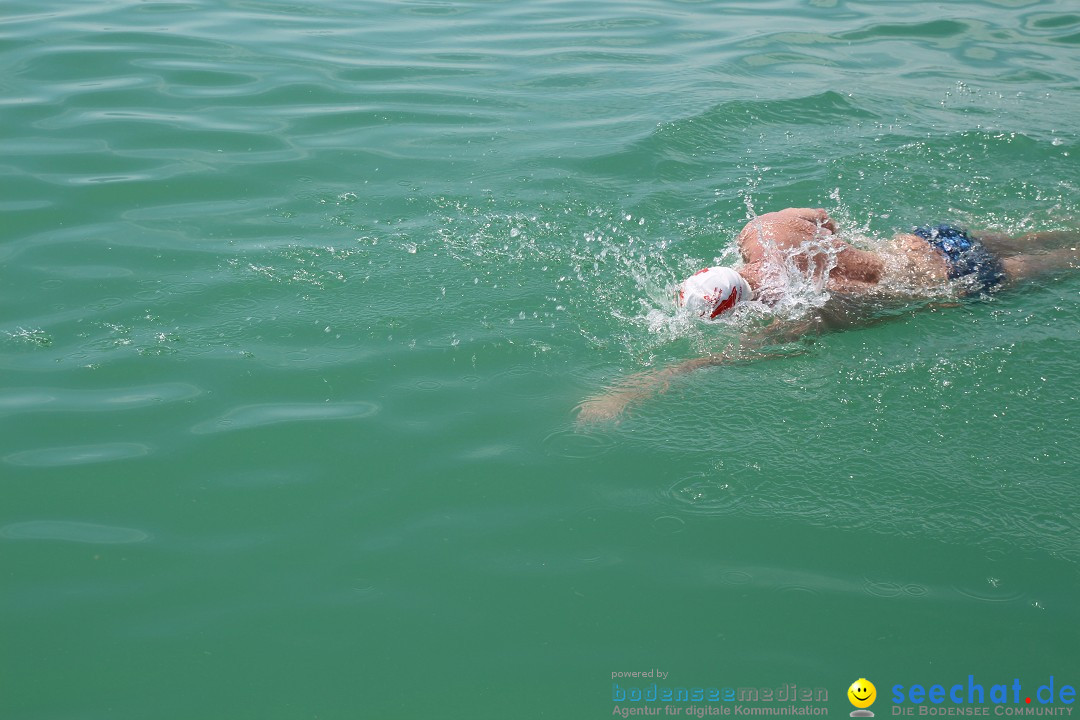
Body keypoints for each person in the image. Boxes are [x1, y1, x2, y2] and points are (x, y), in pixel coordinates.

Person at [576, 207, 1079, 423]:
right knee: (1036, 238)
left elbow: (723, 360)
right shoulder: (764, 231)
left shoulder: (803, 312)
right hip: (927, 242)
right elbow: (822, 219)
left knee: (1061, 262)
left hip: (961, 284)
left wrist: (633, 388)